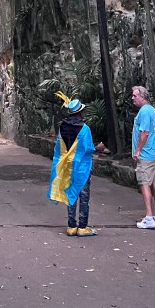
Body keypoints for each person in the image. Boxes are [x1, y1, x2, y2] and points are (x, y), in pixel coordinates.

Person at [48, 92, 109, 236]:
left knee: (71, 193)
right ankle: (82, 227)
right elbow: (87, 149)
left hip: (68, 166)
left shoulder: (62, 127)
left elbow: (59, 148)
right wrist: (99, 148)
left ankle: (71, 226)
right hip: (82, 167)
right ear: (80, 112)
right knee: (83, 196)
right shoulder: (84, 128)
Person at [131, 85, 155, 228]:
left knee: (145, 184)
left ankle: (149, 217)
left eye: (135, 96)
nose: (132, 98)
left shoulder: (144, 111)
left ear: (143, 96)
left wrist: (137, 150)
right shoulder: (152, 110)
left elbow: (144, 132)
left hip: (147, 155)